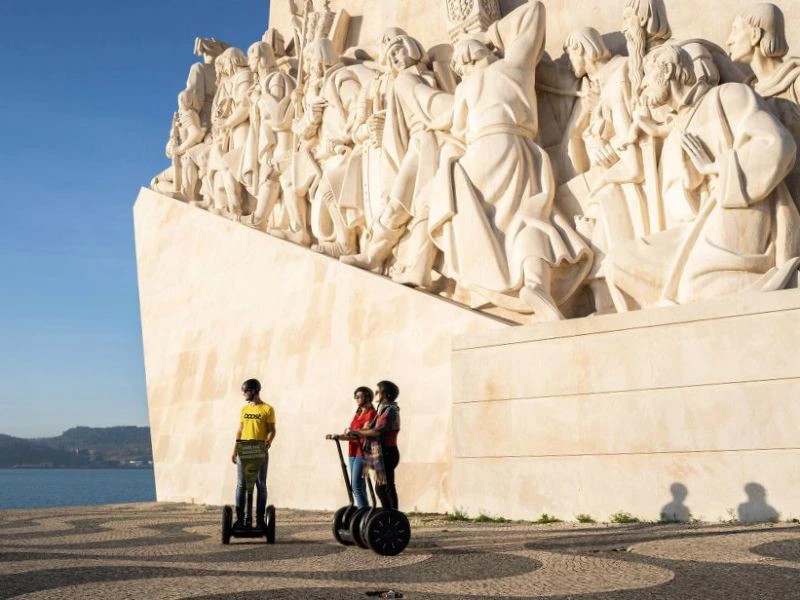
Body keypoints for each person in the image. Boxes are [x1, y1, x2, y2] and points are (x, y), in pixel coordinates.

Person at [231, 378, 276, 529]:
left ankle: (260, 521)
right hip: (244, 449)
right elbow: (240, 430)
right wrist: (235, 450)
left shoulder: (267, 409)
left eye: (245, 391)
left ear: (254, 391)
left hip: (259, 449)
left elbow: (272, 430)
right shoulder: (244, 409)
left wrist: (268, 442)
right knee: (241, 485)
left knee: (260, 485)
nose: (243, 394)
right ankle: (240, 520)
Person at [352, 380, 401, 509]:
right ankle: (389, 513)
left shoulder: (390, 410)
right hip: (384, 451)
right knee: (384, 487)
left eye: (377, 391)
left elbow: (376, 431)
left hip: (388, 452)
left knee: (385, 487)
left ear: (385, 394)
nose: (375, 394)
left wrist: (357, 432)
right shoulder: (383, 409)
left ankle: (392, 514)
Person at [343, 386, 376, 509]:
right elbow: (353, 432)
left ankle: (363, 513)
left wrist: (351, 431)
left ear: (367, 397)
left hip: (362, 452)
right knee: (359, 486)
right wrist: (340, 436)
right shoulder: (358, 414)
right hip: (353, 450)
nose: (356, 399)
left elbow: (365, 430)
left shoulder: (371, 413)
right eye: (355, 397)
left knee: (356, 485)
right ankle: (364, 511)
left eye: (359, 396)